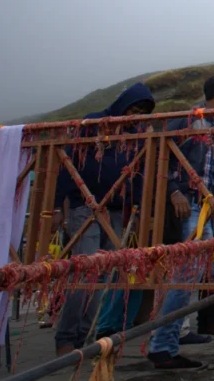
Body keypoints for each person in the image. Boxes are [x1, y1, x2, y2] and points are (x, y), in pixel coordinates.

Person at [147, 75, 214, 369]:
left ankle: (169, 339)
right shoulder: (189, 120)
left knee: (200, 270)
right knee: (185, 273)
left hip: (204, 206)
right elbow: (161, 156)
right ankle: (162, 345)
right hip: (187, 203)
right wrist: (173, 190)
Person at [52, 82, 154, 357]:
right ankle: (66, 338)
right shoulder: (95, 123)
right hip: (85, 206)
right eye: (134, 109)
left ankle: (82, 339)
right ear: (123, 104)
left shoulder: (138, 134)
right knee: (86, 272)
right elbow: (68, 161)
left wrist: (140, 207)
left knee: (104, 275)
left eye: (142, 112)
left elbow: (143, 171)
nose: (135, 116)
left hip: (118, 209)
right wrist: (54, 206)